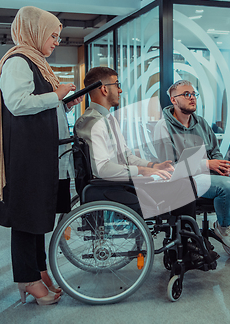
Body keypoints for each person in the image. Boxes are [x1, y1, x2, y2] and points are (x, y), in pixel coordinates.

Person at [74, 67, 217, 263]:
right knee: (184, 185)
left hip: (123, 180)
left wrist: (153, 165)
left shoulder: (107, 120)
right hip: (113, 187)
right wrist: (144, 170)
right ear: (104, 89)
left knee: (181, 180)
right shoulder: (92, 122)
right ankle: (186, 247)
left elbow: (126, 156)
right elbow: (102, 168)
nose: (120, 90)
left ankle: (186, 244)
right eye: (117, 85)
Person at [0, 6, 84, 305]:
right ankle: (27, 279)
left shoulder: (38, 63)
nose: (57, 41)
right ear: (35, 32)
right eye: (53, 35)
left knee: (38, 216)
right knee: (26, 218)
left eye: (58, 36)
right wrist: (56, 96)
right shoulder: (19, 61)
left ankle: (38, 269)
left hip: (39, 153)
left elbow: (38, 108)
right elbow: (17, 104)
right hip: (26, 156)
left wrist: (65, 104)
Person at [154, 79, 230, 252]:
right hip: (185, 180)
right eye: (186, 94)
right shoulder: (163, 127)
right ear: (174, 100)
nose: (192, 98)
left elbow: (214, 150)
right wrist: (207, 164)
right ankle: (225, 228)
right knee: (228, 185)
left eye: (194, 94)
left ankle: (228, 223)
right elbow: (171, 166)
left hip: (210, 173)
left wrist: (221, 166)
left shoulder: (200, 122)